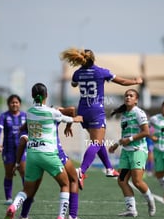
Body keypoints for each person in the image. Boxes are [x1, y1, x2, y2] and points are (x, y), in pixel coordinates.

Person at [60, 48, 143, 189]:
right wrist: (135, 81)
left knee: (98, 142)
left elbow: (74, 83)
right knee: (97, 143)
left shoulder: (77, 73)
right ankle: (82, 171)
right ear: (93, 59)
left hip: (83, 110)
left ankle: (109, 168)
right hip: (96, 110)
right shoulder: (101, 72)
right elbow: (122, 81)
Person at [4, 83, 83, 219]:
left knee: (27, 189)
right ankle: (61, 217)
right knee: (65, 184)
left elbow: (25, 129)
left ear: (32, 96)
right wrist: (78, 119)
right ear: (46, 95)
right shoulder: (52, 112)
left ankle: (13, 206)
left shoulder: (28, 112)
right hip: (49, 154)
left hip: (32, 155)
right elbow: (71, 117)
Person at [17, 106, 85, 219]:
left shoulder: (33, 114)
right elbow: (72, 110)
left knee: (33, 187)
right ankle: (72, 216)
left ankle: (23, 215)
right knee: (73, 179)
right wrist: (70, 123)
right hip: (54, 151)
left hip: (38, 153)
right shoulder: (53, 112)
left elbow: (23, 129)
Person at [108, 89, 156, 217]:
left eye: (131, 96)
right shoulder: (124, 114)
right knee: (122, 181)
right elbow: (126, 134)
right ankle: (131, 210)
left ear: (136, 100)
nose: (128, 97)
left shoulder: (139, 113)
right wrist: (116, 144)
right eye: (126, 95)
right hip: (126, 152)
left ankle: (151, 201)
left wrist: (129, 140)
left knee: (137, 181)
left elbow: (146, 132)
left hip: (138, 151)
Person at [0, 94, 27, 205]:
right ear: (8, 104)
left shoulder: (25, 116)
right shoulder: (4, 116)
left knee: (23, 172)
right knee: (9, 173)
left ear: (20, 104)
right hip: (8, 150)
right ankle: (8, 198)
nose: (14, 104)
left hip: (22, 150)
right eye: (12, 102)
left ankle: (26, 194)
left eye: (16, 102)